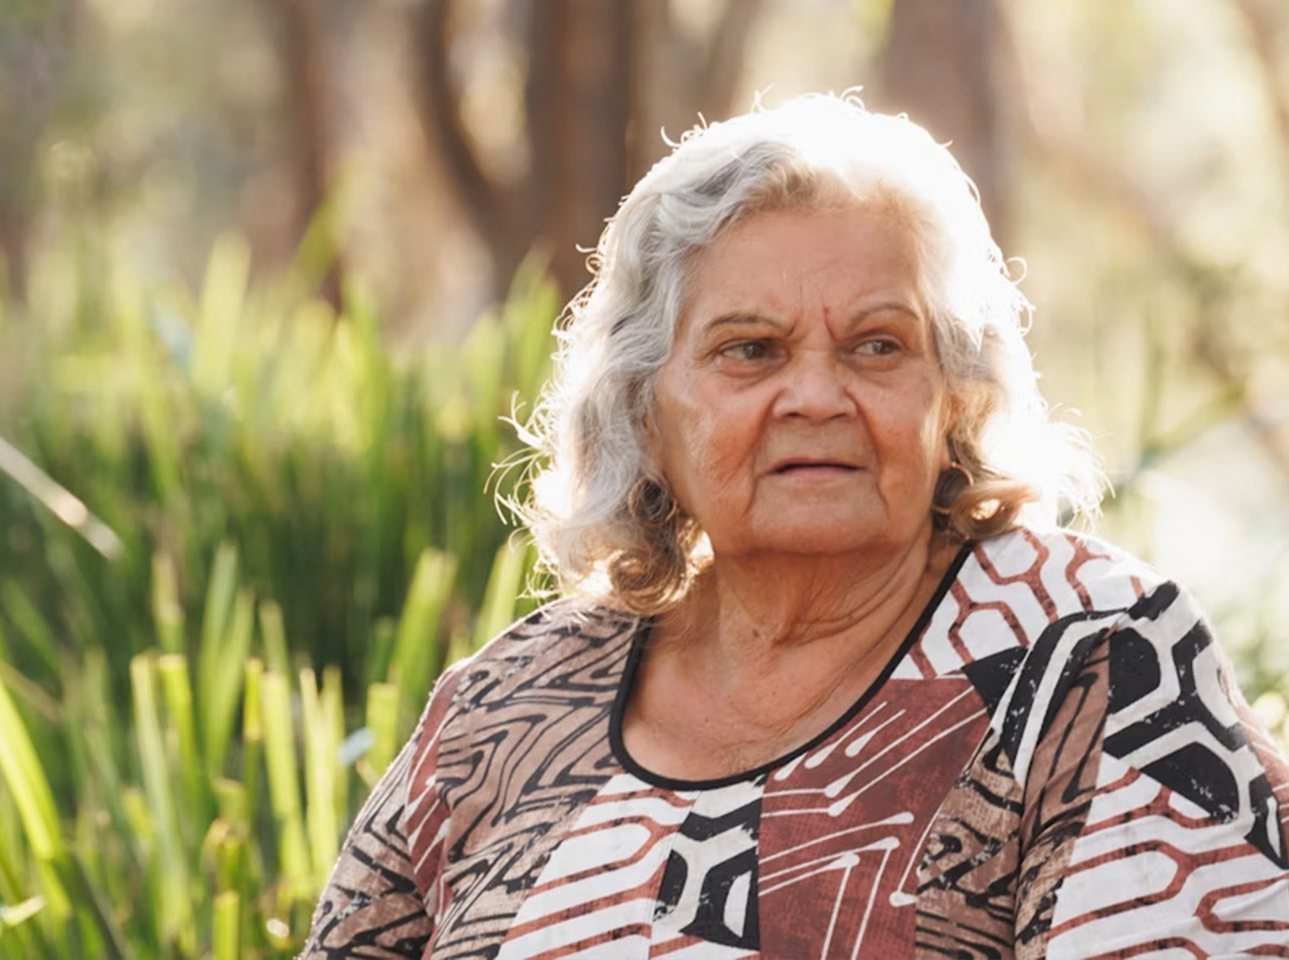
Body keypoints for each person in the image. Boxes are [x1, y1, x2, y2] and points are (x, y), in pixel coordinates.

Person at [300, 95, 1289, 958]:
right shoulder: (503, 712)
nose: (816, 394)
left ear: (956, 396)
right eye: (751, 350)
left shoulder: (1088, 657)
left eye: (877, 344)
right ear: (646, 408)